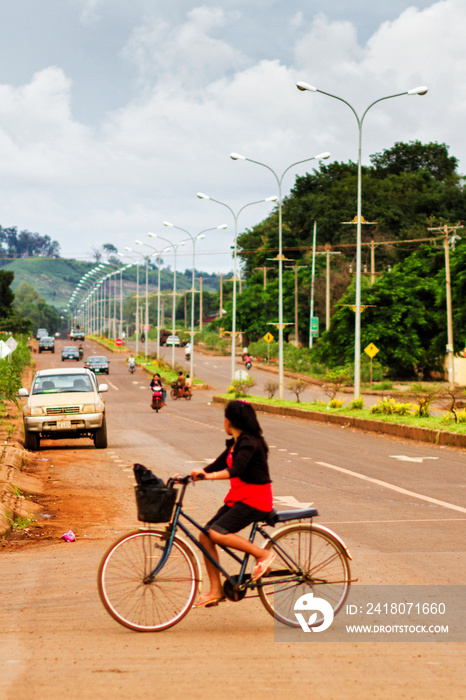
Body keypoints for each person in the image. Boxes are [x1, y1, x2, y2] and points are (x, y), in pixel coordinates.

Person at [189, 400, 275, 608]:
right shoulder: (235, 443)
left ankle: (263, 554)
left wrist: (208, 477)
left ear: (230, 420)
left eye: (224, 417)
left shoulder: (250, 442)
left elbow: (236, 469)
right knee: (205, 535)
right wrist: (191, 476)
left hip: (256, 500)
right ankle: (216, 590)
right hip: (239, 497)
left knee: (217, 532)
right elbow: (216, 465)